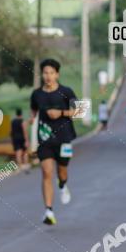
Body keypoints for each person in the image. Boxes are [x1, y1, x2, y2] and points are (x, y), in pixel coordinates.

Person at [29, 59, 78, 226]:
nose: (48, 76)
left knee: (62, 170)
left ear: (57, 74)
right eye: (45, 73)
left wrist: (61, 113)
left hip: (64, 138)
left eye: (51, 73)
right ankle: (48, 211)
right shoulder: (37, 94)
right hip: (45, 139)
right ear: (42, 74)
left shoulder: (66, 91)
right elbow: (33, 113)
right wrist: (30, 125)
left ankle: (63, 184)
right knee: (46, 172)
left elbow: (78, 111)